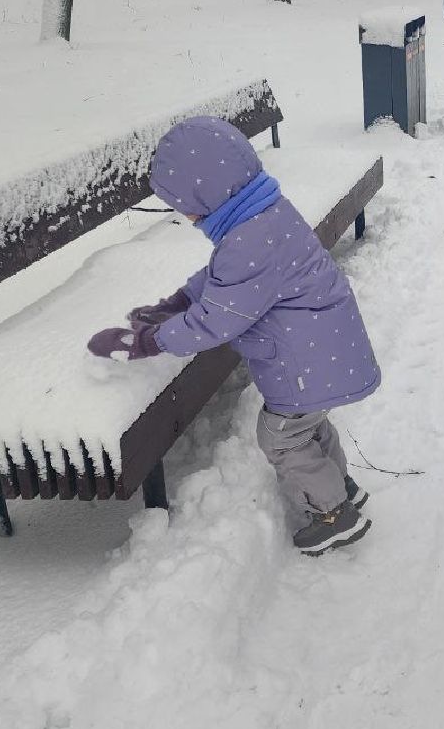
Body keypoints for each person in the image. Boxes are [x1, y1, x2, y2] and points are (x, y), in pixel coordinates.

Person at [86, 116, 382, 555]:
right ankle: (340, 488)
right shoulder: (264, 217)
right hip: (324, 352)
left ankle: (333, 513)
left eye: (184, 205)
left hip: (305, 364)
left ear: (208, 196)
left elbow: (219, 319)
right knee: (307, 427)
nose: (185, 216)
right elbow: (222, 277)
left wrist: (150, 341)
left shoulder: (250, 243)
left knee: (281, 436)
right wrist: (178, 301)